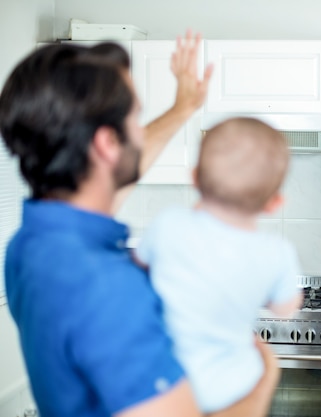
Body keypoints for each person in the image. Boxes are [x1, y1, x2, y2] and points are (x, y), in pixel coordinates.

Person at [0, 32, 279, 417]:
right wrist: (265, 379)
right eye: (135, 118)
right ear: (106, 144)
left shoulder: (30, 244)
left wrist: (183, 108)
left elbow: (112, 178)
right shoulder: (107, 287)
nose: (139, 130)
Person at [134, 116, 303, 413]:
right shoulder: (276, 252)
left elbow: (139, 267)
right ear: (274, 203)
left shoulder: (168, 224)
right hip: (234, 389)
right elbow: (286, 307)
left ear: (195, 177)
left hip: (166, 384)